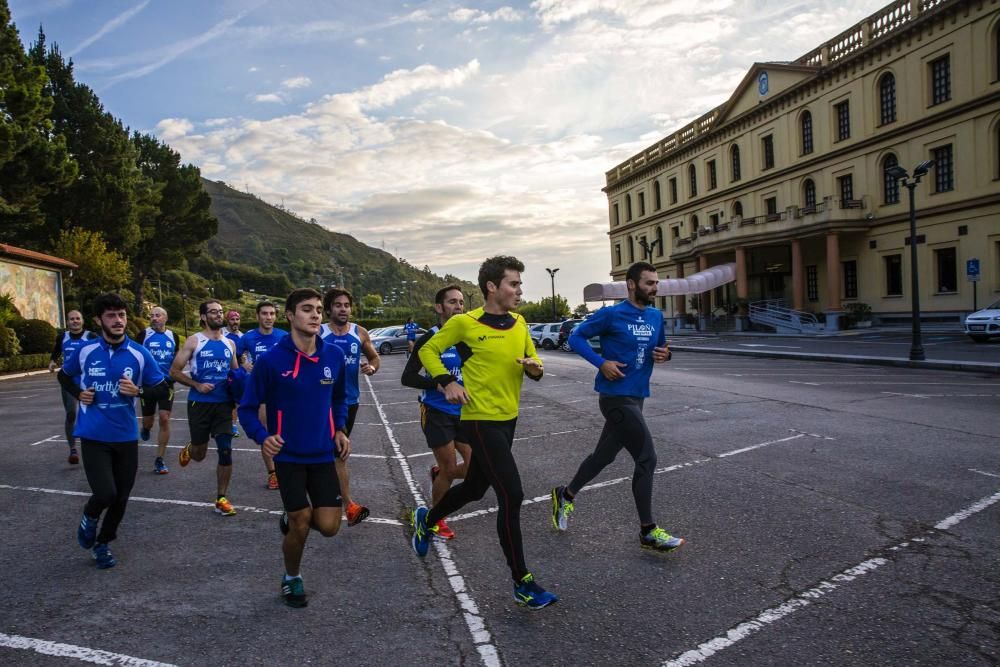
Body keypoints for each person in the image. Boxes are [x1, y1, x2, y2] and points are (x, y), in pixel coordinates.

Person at [409, 256, 557, 610]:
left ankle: (426, 519)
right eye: (513, 284)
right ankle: (522, 582)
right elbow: (427, 350)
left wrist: (536, 368)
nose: (519, 291)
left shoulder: (520, 323)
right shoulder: (465, 323)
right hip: (478, 420)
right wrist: (444, 381)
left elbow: (534, 361)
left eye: (519, 284)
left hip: (509, 419)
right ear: (492, 287)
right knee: (512, 494)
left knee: (475, 489)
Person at [550, 261, 685, 553]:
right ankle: (648, 531)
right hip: (614, 397)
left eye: (656, 283)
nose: (655, 288)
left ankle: (566, 495)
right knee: (647, 458)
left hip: (637, 396)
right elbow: (576, 337)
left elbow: (660, 349)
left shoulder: (655, 316)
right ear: (632, 285)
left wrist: (666, 355)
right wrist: (602, 363)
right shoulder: (611, 314)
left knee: (603, 457)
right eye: (649, 283)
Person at [239, 288, 351, 608]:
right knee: (302, 520)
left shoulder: (333, 356)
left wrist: (340, 428)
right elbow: (247, 408)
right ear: (290, 315)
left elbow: (340, 397)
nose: (316, 315)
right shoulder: (271, 361)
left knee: (329, 527)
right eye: (307, 309)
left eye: (318, 309)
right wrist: (263, 436)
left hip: (322, 453)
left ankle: (290, 520)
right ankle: (292, 578)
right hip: (287, 455)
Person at [57, 293, 170, 568]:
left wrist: (139, 391)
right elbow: (63, 374)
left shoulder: (138, 353)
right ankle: (90, 515)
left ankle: (103, 543)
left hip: (125, 436)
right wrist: (79, 391)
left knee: (121, 496)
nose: (118, 320)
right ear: (98, 320)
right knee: (105, 493)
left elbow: (162, 387)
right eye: (111, 315)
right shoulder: (86, 351)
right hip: (94, 434)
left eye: (121, 315)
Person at [400, 285, 471, 541]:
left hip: (464, 411)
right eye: (452, 302)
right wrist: (438, 384)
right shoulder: (429, 338)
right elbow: (407, 377)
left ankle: (441, 474)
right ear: (439, 308)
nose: (458, 307)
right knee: (450, 468)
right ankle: (435, 517)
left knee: (476, 467)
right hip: (436, 411)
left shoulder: (466, 338)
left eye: (461, 303)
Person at [170, 300, 240, 516]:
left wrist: (240, 392)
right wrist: (197, 385)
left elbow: (235, 374)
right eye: (213, 312)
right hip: (199, 404)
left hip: (223, 406)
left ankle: (221, 498)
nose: (219, 316)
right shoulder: (194, 341)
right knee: (200, 455)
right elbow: (174, 371)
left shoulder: (230, 343)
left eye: (220, 312)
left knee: (225, 450)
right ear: (203, 317)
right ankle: (192, 448)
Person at [320, 289, 380, 526]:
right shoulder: (319, 333)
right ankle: (348, 505)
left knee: (336, 453)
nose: (343, 309)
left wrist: (372, 368)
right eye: (337, 305)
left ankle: (334, 500)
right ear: (328, 309)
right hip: (321, 403)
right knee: (336, 452)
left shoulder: (359, 333)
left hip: (349, 402)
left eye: (346, 305)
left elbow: (375, 358)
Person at [237, 301, 289, 490]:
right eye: (265, 314)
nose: (268, 317)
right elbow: (236, 354)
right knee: (269, 432)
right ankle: (272, 473)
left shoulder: (284, 336)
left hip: (284, 390)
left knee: (287, 431)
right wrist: (243, 363)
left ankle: (290, 468)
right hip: (262, 392)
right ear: (258, 316)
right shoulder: (248, 337)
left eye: (272, 314)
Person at [49, 309, 97, 464]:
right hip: (69, 381)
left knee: (93, 413)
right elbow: (57, 350)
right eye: (71, 319)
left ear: (82, 321)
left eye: (77, 318)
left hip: (88, 381)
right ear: (67, 322)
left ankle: (96, 446)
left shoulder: (91, 336)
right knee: (71, 414)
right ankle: (73, 449)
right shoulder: (63, 337)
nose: (75, 321)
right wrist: (52, 361)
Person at [136, 306, 177, 474]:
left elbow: (176, 357)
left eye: (157, 315)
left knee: (164, 418)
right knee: (149, 421)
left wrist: (176, 374)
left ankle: (159, 459)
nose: (154, 318)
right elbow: (134, 356)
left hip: (167, 385)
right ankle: (145, 428)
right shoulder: (143, 335)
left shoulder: (172, 336)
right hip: (148, 385)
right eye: (151, 316)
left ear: (165, 318)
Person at [224, 310, 243, 438]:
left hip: (236, 372)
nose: (235, 322)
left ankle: (233, 425)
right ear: (227, 320)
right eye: (232, 319)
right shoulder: (221, 334)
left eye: (237, 319)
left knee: (234, 401)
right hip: (221, 372)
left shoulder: (243, 336)